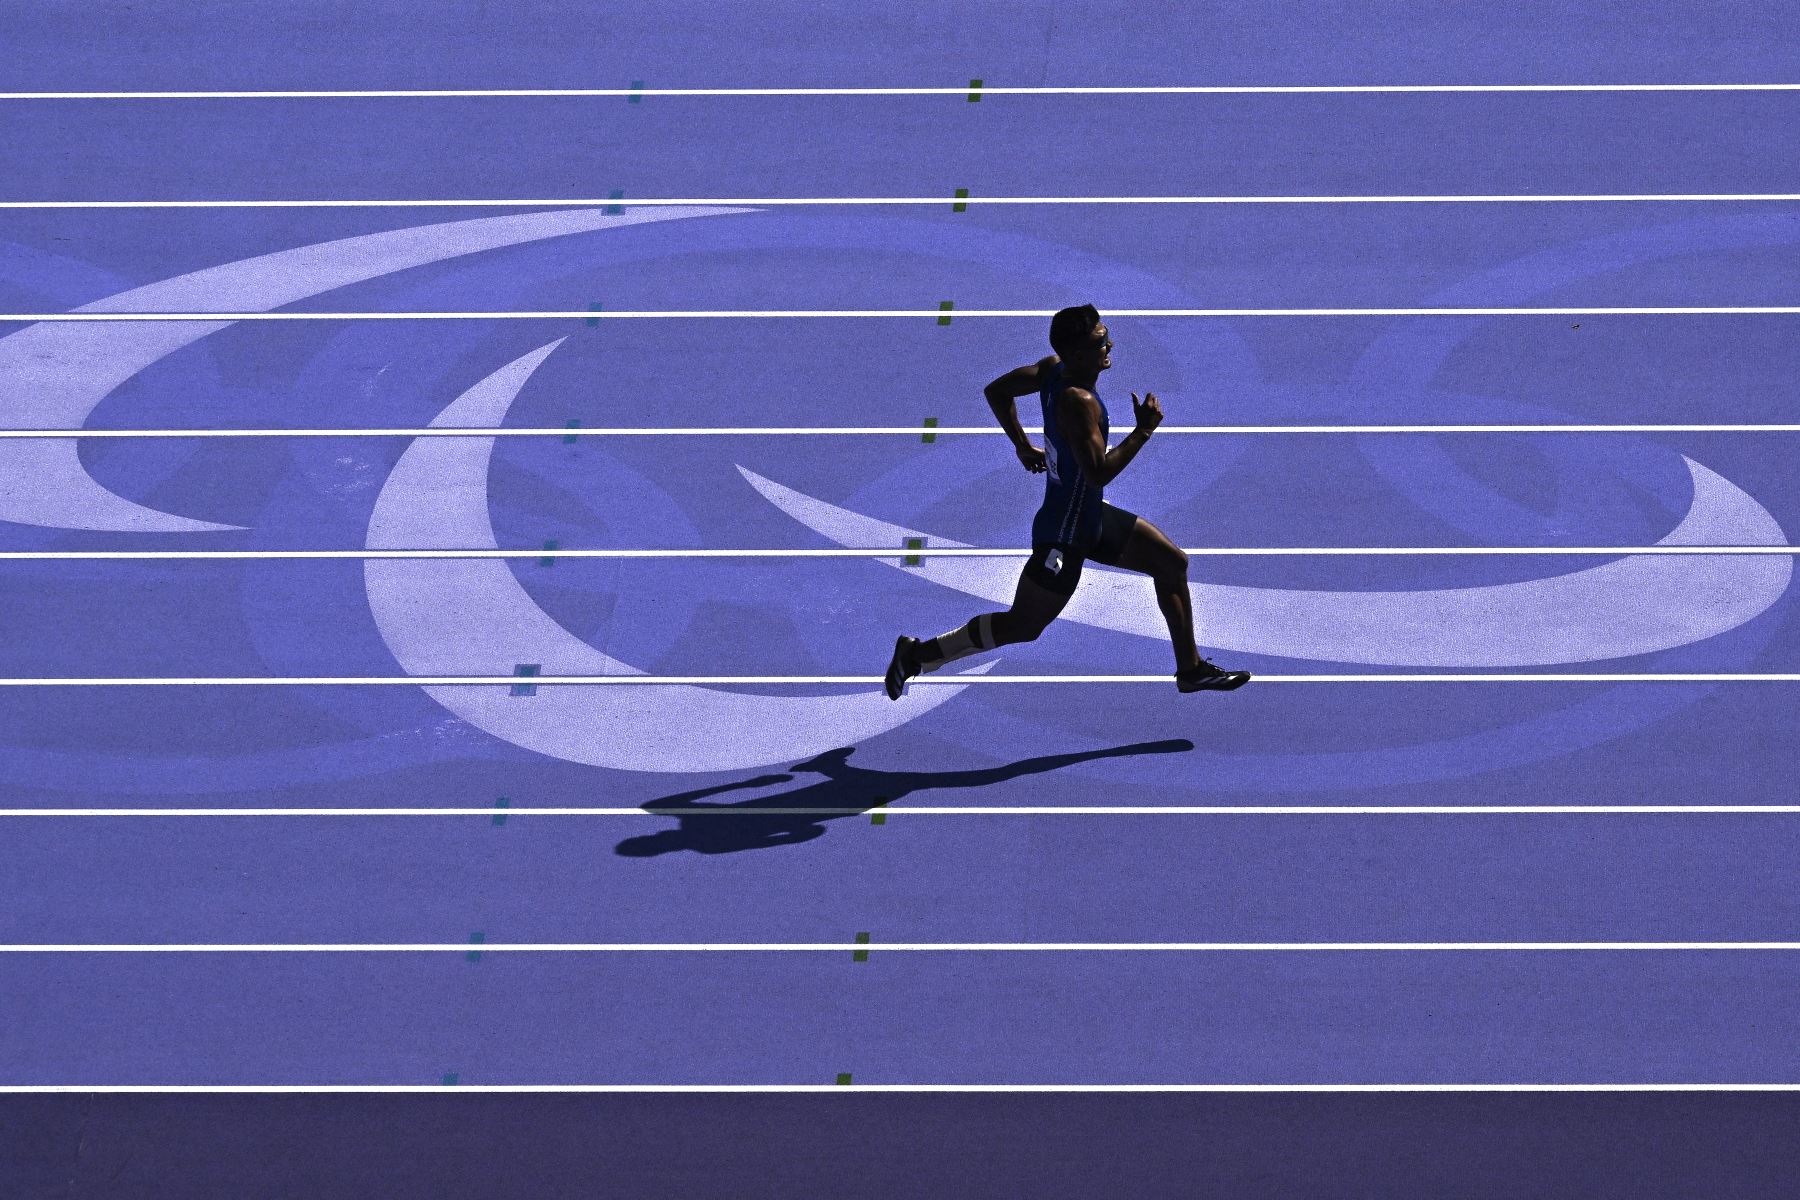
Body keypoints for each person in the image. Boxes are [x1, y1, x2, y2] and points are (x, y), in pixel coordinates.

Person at [885, 304, 1251, 698]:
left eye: (1105, 333)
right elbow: (1098, 472)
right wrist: (1142, 432)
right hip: (1065, 534)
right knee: (1023, 626)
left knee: (1171, 562)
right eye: (1099, 341)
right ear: (1077, 354)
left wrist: (1022, 446)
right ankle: (918, 654)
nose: (1109, 343)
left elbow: (998, 391)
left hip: (1085, 515)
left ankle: (1190, 669)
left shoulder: (1051, 369)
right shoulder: (1078, 402)